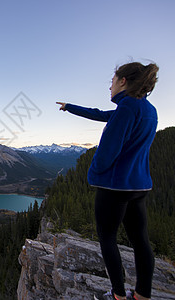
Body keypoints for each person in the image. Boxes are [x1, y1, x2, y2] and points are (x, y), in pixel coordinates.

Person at [56, 61, 159, 300]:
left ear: (123, 81)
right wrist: (70, 107)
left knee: (108, 238)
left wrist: (94, 173)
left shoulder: (126, 108)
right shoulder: (147, 109)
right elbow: (101, 115)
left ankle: (117, 295)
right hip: (139, 185)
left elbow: (108, 152)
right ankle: (142, 295)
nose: (109, 87)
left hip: (115, 186)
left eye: (112, 82)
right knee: (140, 240)